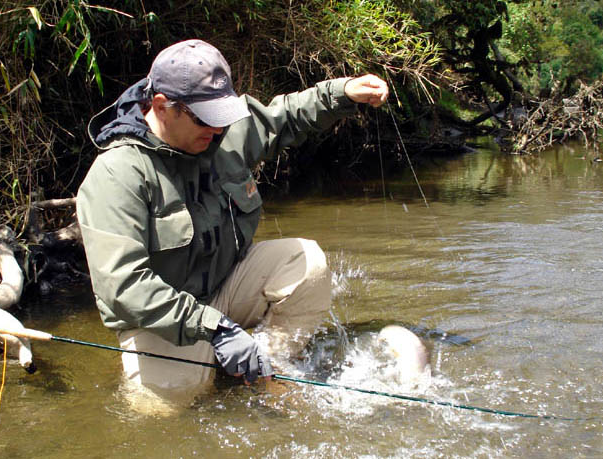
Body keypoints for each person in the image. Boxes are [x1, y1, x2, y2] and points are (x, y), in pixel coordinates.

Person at [76, 39, 388, 394]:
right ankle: (220, 357)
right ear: (162, 107)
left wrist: (343, 91)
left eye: (222, 116)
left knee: (307, 263)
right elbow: (124, 288)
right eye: (206, 119)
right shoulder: (118, 173)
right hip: (161, 317)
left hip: (225, 285)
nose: (219, 130)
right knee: (164, 414)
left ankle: (267, 371)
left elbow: (283, 117)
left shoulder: (217, 135)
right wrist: (215, 330)